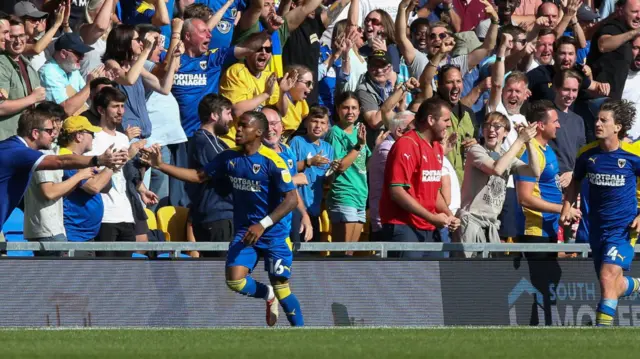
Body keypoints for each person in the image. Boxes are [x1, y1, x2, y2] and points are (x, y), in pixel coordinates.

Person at [141, 111, 303, 327]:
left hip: (274, 233)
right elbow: (199, 176)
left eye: (245, 126)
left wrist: (263, 224)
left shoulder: (273, 161)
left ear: (259, 132)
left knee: (283, 287)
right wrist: (160, 165)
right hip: (247, 231)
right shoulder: (229, 157)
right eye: (238, 125)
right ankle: (267, 294)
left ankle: (300, 334)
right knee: (235, 281)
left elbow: (291, 200)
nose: (238, 130)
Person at [560, 99, 640, 326]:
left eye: (604, 120)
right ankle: (636, 285)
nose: (597, 123)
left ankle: (601, 331)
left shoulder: (634, 154)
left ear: (618, 127)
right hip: (596, 227)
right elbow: (575, 181)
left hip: (623, 228)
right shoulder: (587, 154)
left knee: (607, 276)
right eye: (597, 119)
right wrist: (568, 205)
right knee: (611, 283)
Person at [0, 106, 127, 230]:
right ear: (35, 133)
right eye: (49, 131)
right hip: (53, 232)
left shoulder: (13, 147)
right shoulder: (19, 151)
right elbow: (60, 161)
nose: (54, 135)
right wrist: (98, 160)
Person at [379, 97, 459, 258]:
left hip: (428, 228)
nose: (449, 124)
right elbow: (397, 192)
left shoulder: (436, 147)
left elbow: (431, 189)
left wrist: (448, 215)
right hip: (404, 227)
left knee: (430, 281)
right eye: (445, 120)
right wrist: (432, 217)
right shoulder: (406, 145)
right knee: (407, 282)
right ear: (430, 120)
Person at [455, 112, 539, 258]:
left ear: (506, 132)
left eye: (497, 126)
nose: (491, 130)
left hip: (491, 226)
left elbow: (534, 172)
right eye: (487, 125)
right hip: (471, 224)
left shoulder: (505, 156)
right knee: (468, 277)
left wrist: (528, 141)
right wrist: (519, 140)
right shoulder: (476, 151)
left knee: (490, 277)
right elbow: (497, 169)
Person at [514, 100, 579, 257]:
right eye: (555, 121)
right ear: (541, 126)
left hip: (550, 228)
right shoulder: (529, 153)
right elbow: (524, 198)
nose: (559, 126)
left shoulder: (547, 148)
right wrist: (563, 209)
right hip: (534, 232)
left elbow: (548, 185)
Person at [58, 115, 114, 257]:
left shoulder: (82, 160)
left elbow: (105, 186)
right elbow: (94, 187)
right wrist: (112, 165)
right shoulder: (66, 158)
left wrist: (108, 169)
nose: (93, 137)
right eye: (91, 133)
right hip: (74, 236)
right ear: (79, 136)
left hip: (85, 236)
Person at [185, 94, 234, 257]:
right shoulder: (204, 140)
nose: (231, 118)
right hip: (215, 217)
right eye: (228, 113)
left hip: (221, 216)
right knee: (219, 274)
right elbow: (228, 169)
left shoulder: (217, 141)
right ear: (214, 115)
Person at [325, 92, 370, 255]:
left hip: (360, 195)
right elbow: (341, 166)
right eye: (345, 107)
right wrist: (358, 146)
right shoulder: (334, 132)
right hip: (343, 193)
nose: (350, 111)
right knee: (341, 252)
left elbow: (365, 164)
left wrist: (376, 146)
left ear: (359, 111)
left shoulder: (359, 131)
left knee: (350, 253)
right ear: (337, 109)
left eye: (354, 108)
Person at [261, 106, 313, 244]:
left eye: (273, 124)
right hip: (264, 224)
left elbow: (292, 191)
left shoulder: (287, 151)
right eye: (264, 124)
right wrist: (292, 180)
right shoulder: (256, 154)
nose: (269, 129)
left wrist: (304, 214)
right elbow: (258, 185)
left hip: (288, 223)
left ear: (282, 127)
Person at [289, 106, 336, 243]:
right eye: (314, 121)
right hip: (296, 207)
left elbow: (327, 181)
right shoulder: (297, 141)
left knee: (312, 253)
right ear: (306, 123)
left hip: (314, 208)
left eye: (322, 123)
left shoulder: (328, 148)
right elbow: (287, 170)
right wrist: (308, 162)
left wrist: (333, 172)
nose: (318, 126)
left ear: (327, 127)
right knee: (297, 251)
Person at [368, 111, 413, 241]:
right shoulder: (387, 150)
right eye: (413, 129)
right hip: (386, 223)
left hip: (397, 221)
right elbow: (407, 180)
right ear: (400, 131)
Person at [0, 16, 46, 141]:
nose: (18, 41)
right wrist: (32, 98)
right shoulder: (2, 64)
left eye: (21, 35)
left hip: (26, 139)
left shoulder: (27, 64)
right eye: (13, 36)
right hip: (6, 140)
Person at [39, 32, 98, 116]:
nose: (82, 58)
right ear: (63, 53)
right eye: (79, 54)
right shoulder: (48, 72)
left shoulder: (73, 70)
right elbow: (65, 110)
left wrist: (101, 84)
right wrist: (89, 84)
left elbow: (88, 95)